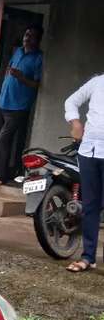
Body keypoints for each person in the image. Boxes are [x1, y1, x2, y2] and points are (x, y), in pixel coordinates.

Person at [0, 25, 44, 188]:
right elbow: (8, 70)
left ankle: (2, 177)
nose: (27, 37)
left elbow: (36, 84)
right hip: (3, 102)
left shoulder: (38, 58)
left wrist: (21, 77)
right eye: (26, 34)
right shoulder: (17, 52)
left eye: (31, 36)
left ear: (38, 40)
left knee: (4, 139)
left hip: (19, 107)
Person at [64, 74, 104, 273]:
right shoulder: (97, 82)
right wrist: (76, 123)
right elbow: (71, 101)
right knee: (90, 206)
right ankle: (88, 257)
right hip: (89, 151)